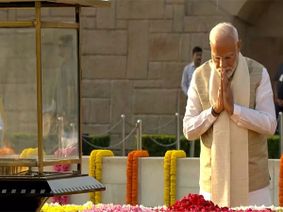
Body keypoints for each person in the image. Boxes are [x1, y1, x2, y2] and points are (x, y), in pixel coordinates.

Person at [183, 22, 277, 207]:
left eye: (228, 57)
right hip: (212, 183)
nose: (222, 65)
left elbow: (270, 124)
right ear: (210, 48)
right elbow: (188, 130)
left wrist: (235, 111)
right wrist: (214, 111)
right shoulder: (200, 76)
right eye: (216, 58)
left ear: (238, 46)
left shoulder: (258, 72)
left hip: (253, 186)